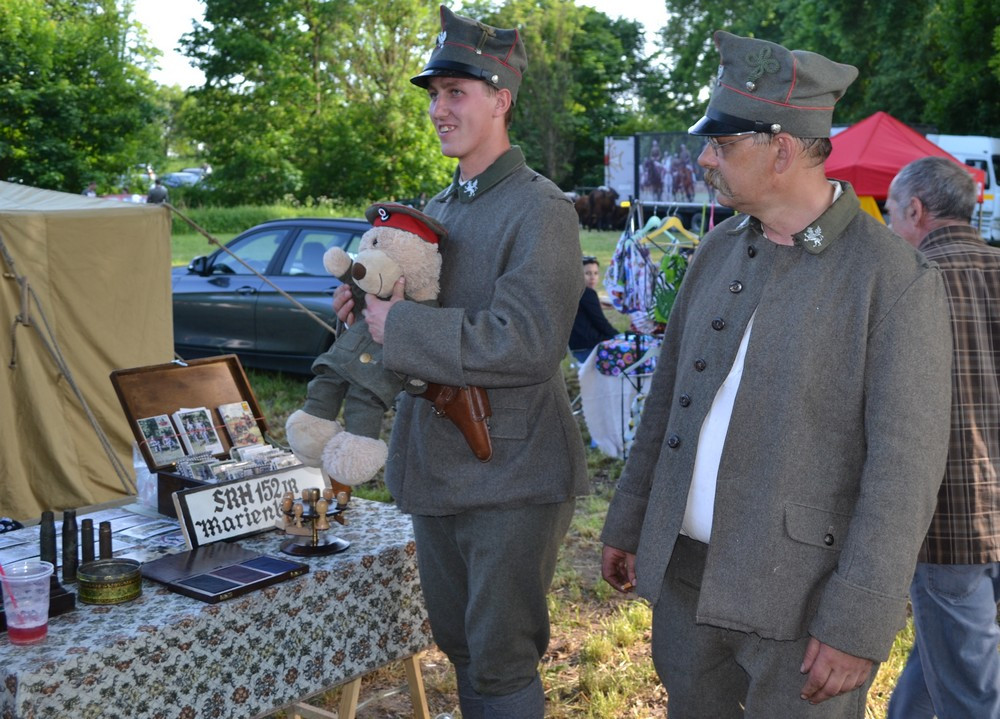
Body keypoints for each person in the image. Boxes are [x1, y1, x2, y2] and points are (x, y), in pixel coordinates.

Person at [599, 30, 953, 718]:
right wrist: (632, 519)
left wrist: (856, 623)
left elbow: (904, 475)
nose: (704, 158)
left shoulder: (892, 278)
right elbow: (669, 404)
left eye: (723, 145)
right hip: (687, 582)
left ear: (782, 148)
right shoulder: (716, 252)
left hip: (803, 602)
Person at [333, 6, 589, 718]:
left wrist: (403, 323)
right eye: (435, 95)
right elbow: (413, 313)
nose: (440, 109)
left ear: (501, 99)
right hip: (440, 468)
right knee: (462, 648)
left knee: (501, 657)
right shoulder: (442, 205)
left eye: (457, 93)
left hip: (510, 473)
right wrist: (367, 300)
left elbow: (527, 339)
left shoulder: (540, 210)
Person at [884, 156, 1000, 719]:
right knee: (952, 662)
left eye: (888, 211)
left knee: (970, 694)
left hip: (948, 519)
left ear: (915, 210)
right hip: (975, 517)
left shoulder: (909, 280)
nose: (886, 224)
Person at [569, 256, 618, 362]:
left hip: (576, 346)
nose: (592, 277)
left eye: (595, 273)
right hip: (590, 347)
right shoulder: (587, 293)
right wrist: (618, 336)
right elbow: (600, 322)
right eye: (587, 273)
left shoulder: (574, 292)